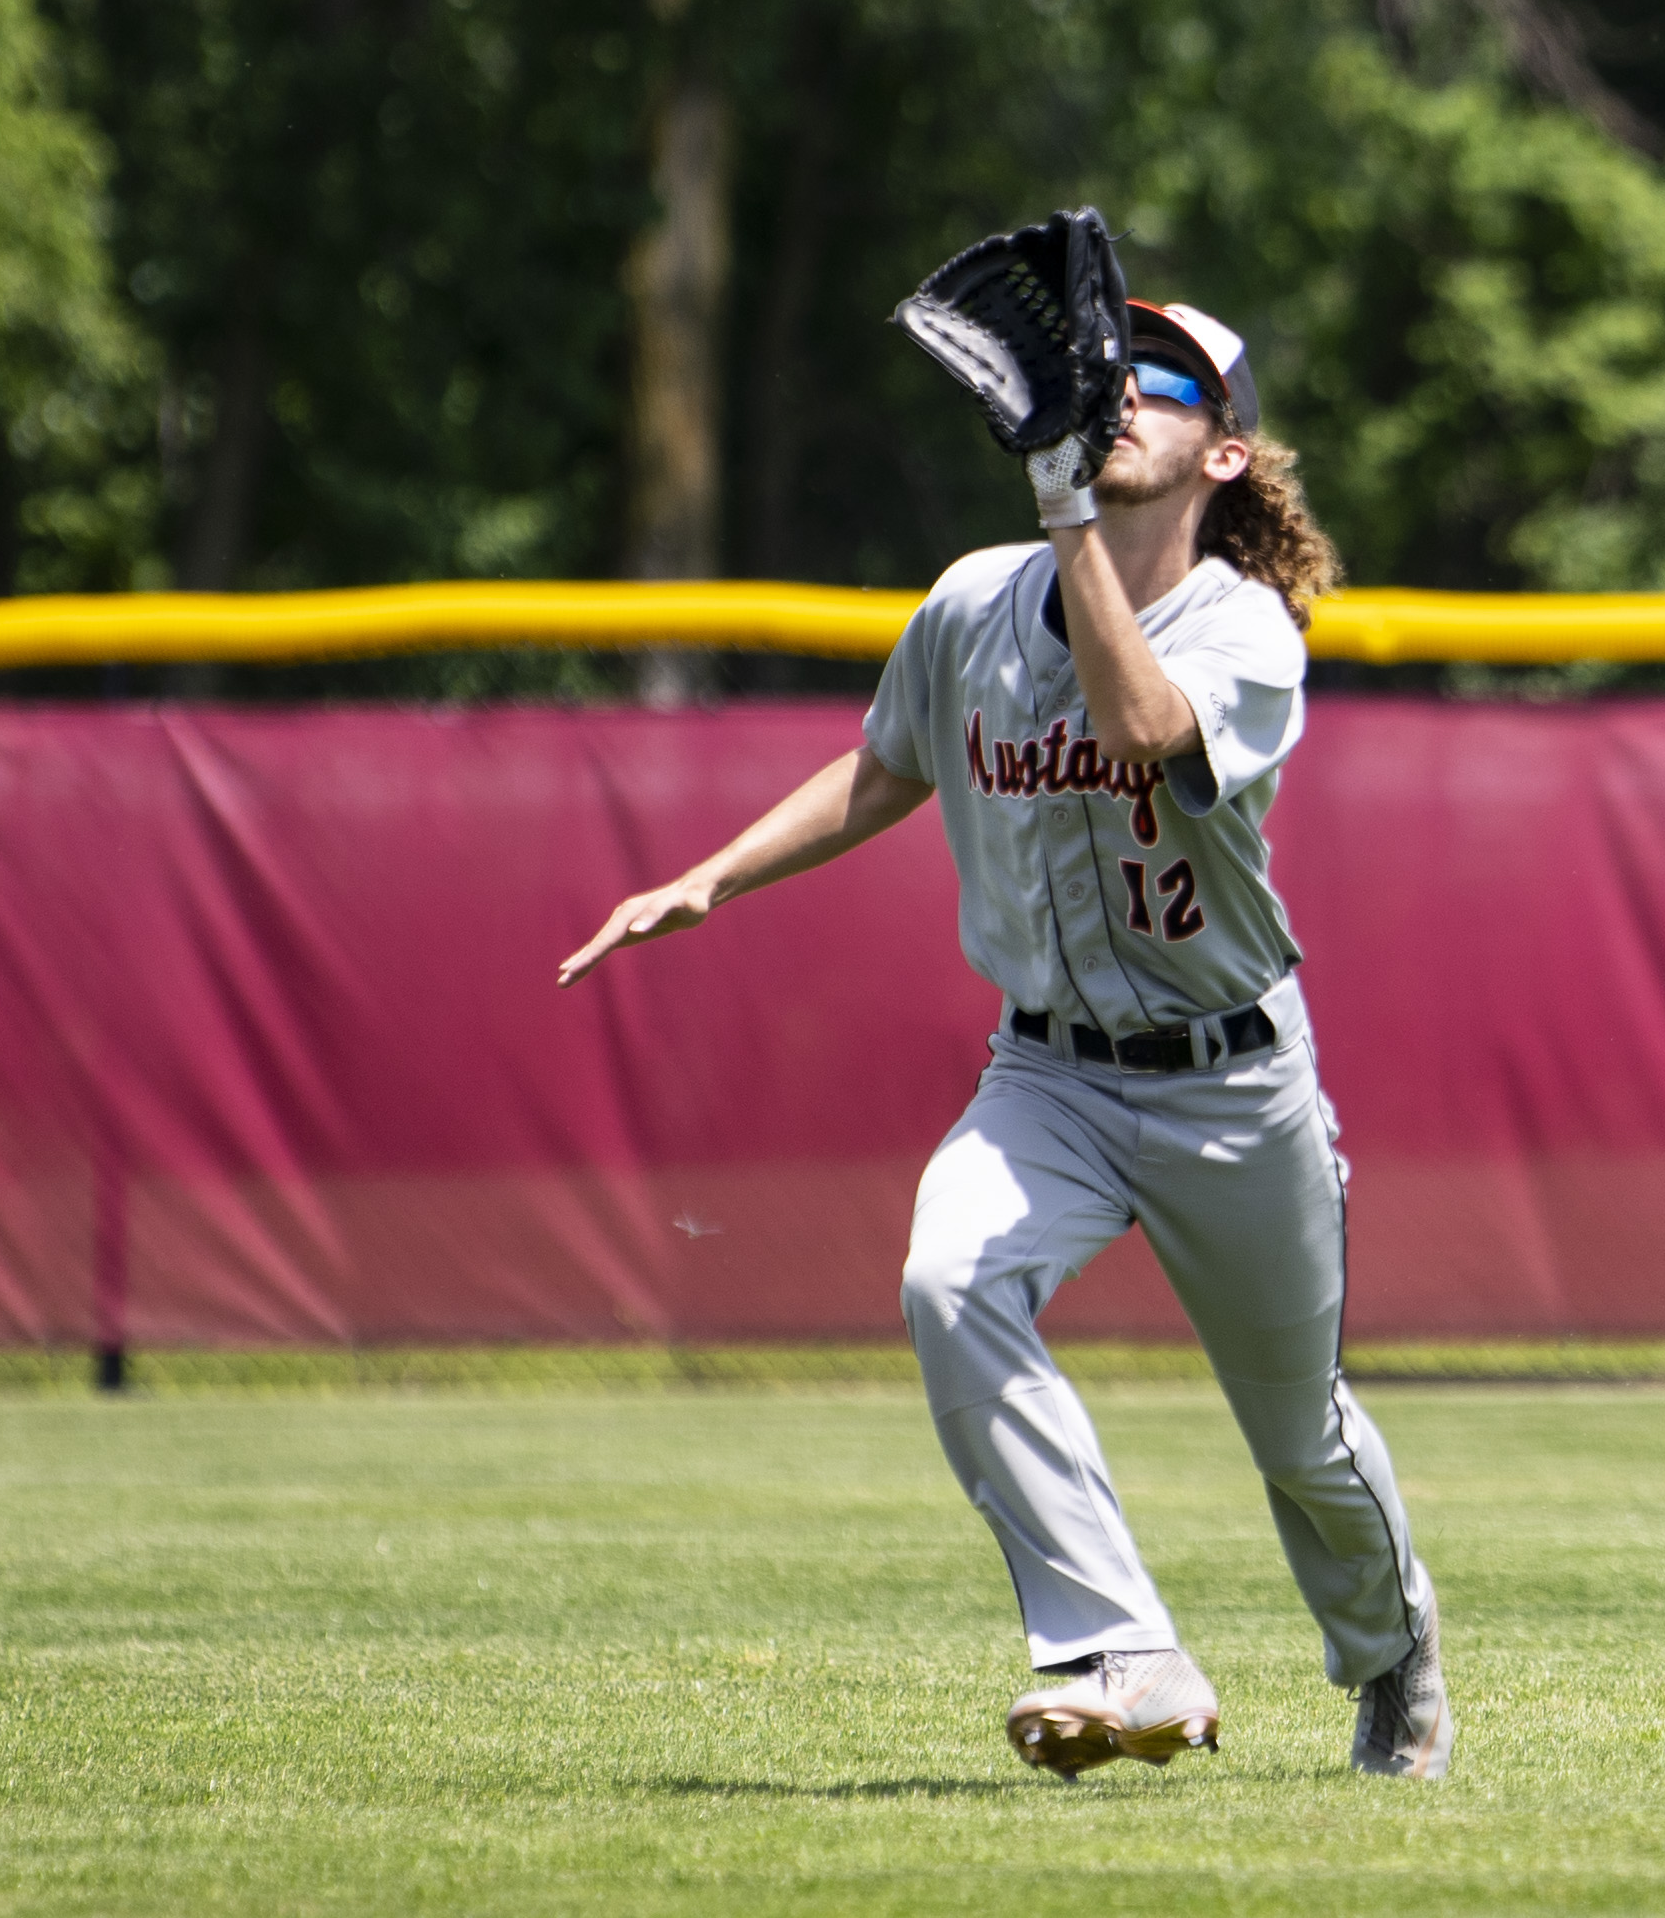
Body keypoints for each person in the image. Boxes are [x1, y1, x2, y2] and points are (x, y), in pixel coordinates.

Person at [558, 291, 1452, 1783]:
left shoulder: (1244, 626)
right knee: (948, 1279)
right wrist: (709, 876)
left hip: (1229, 1081)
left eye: (1160, 384)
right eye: (1105, 372)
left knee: (1297, 1436)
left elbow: (1141, 731)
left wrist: (1062, 522)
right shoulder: (975, 597)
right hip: (1046, 1071)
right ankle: (1124, 1651)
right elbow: (884, 767)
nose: (1118, 397)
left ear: (1224, 456)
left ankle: (1391, 1657)